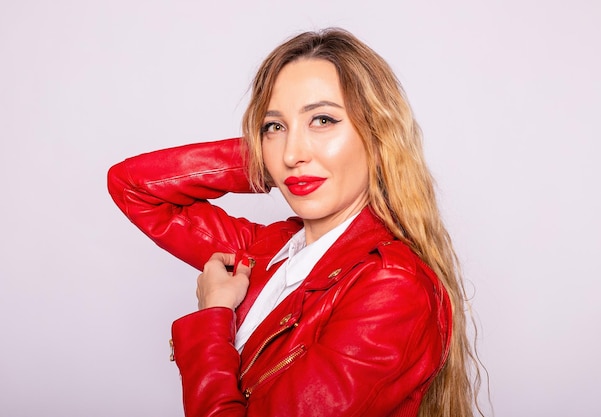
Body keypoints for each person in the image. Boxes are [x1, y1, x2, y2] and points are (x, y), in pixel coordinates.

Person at [108, 28, 483, 417]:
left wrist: (212, 316)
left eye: (322, 120)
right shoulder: (267, 251)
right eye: (275, 126)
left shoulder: (392, 287)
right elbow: (133, 186)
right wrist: (268, 162)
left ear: (377, 135)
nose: (292, 152)